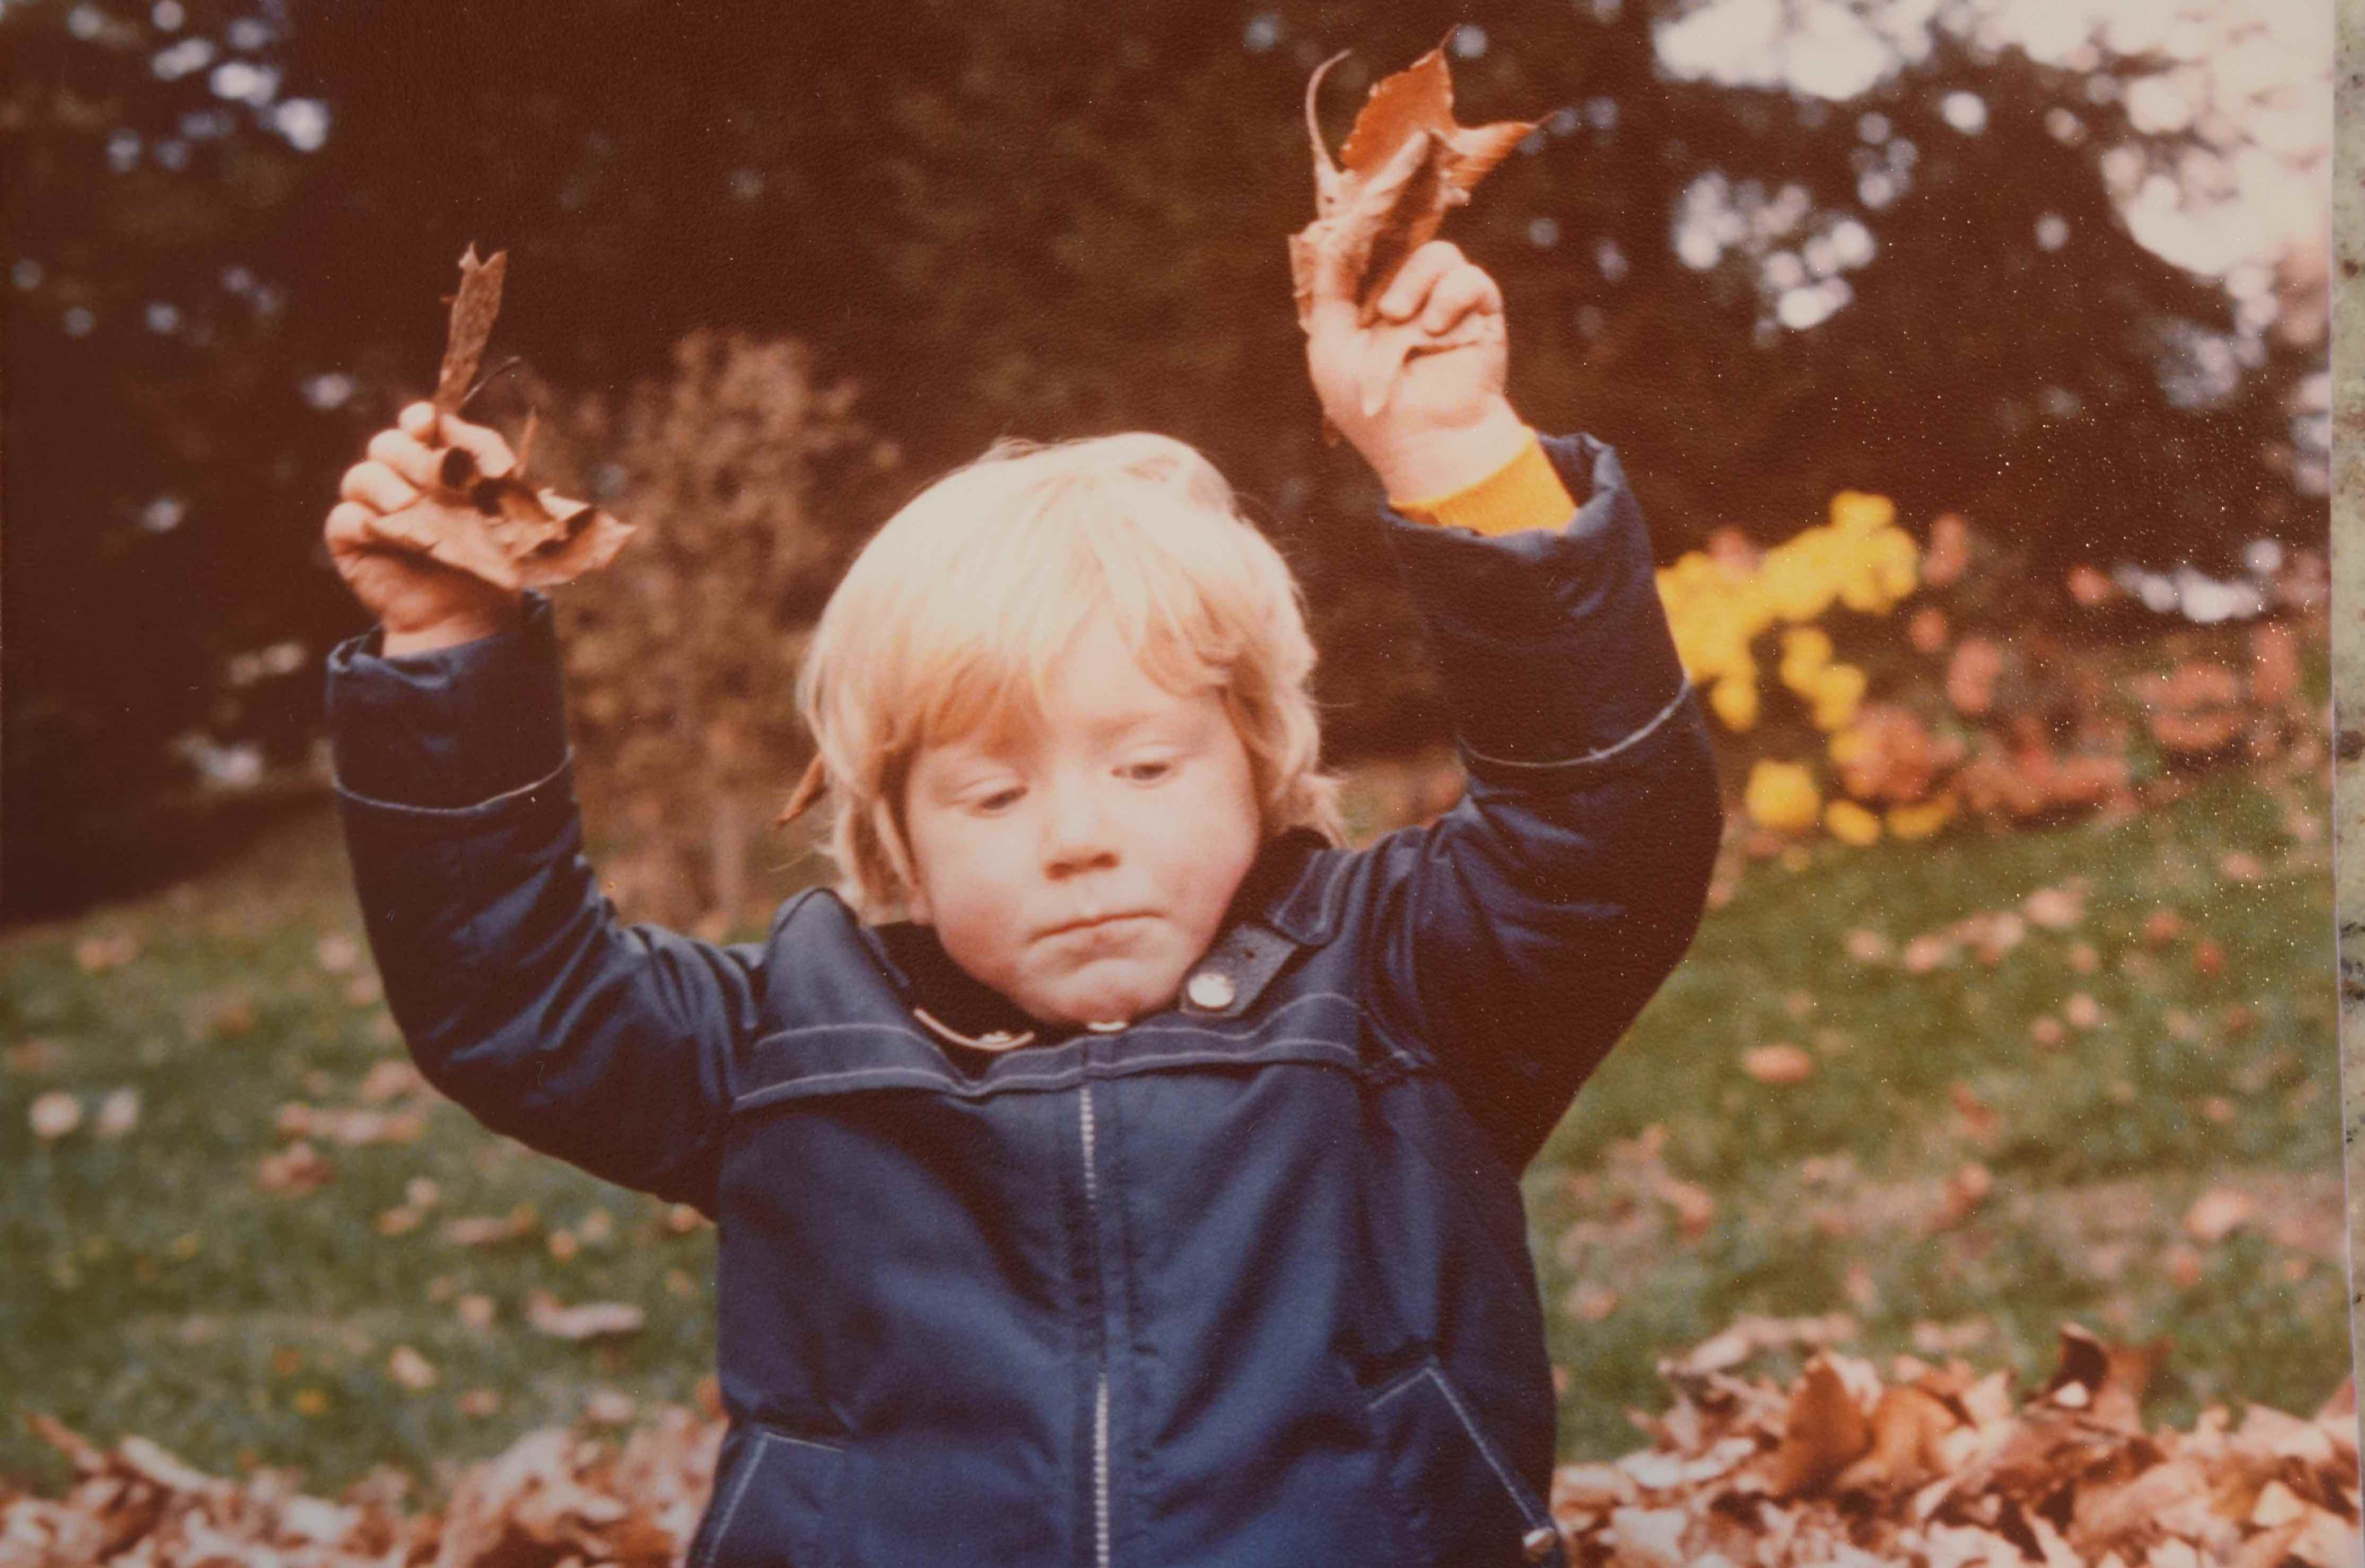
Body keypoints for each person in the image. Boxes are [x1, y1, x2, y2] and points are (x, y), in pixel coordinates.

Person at [321, 236, 1723, 1567]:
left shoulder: (1398, 995)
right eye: (990, 797)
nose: (1075, 838)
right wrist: (450, 643)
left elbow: (1602, 837)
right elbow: (515, 997)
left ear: (1256, 764)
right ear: (898, 841)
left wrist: (1453, 456)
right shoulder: (795, 1050)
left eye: (1144, 764)